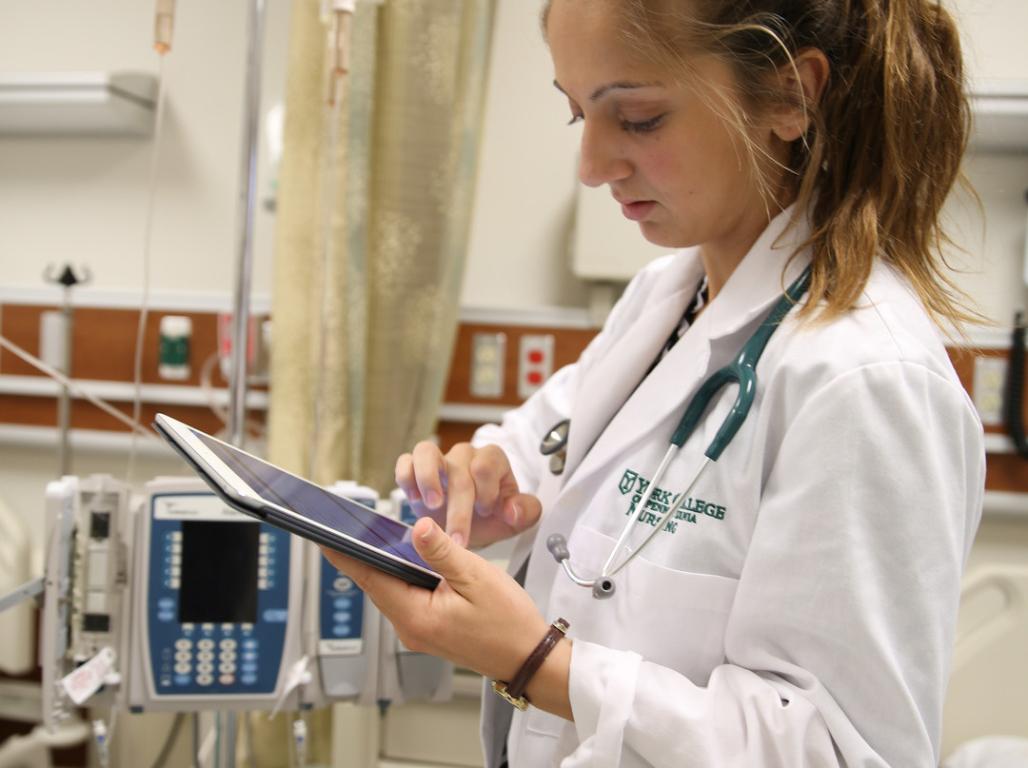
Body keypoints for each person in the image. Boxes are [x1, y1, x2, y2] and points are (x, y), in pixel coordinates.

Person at [322, 0, 986, 765]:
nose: (592, 165)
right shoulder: (664, 301)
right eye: (578, 114)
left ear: (787, 98)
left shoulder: (867, 383)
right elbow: (550, 454)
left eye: (636, 118)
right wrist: (485, 482)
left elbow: (838, 750)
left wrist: (538, 663)